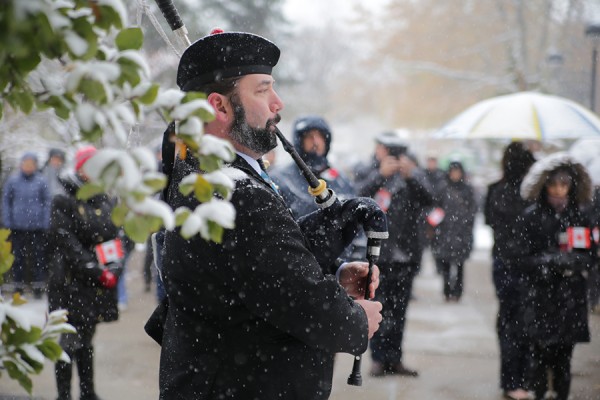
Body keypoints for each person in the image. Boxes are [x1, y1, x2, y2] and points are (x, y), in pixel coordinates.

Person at [145, 30, 383, 399]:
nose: (278, 102)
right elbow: (296, 297)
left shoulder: (205, 177)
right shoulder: (235, 194)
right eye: (262, 89)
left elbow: (257, 271)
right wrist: (355, 321)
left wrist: (334, 266)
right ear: (219, 107)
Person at [513, 152, 595, 400]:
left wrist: (571, 261)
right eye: (554, 184)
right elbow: (520, 258)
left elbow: (589, 255)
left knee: (564, 360)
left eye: (564, 185)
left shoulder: (579, 217)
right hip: (540, 298)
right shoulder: (531, 217)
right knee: (538, 359)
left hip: (570, 298)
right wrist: (548, 262)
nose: (559, 190)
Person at [354, 131, 434, 377]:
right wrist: (380, 175)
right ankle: (378, 359)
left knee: (400, 311)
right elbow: (355, 198)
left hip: (407, 254)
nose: (391, 157)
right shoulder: (368, 170)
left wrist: (411, 176)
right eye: (387, 151)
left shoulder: (411, 175)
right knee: (379, 308)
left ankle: (395, 358)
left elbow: (430, 199)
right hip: (380, 255)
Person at [47, 145, 124, 400]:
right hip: (69, 281)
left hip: (93, 285)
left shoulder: (106, 198)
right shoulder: (64, 199)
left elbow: (114, 237)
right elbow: (66, 241)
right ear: (80, 168)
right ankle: (64, 395)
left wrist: (113, 267)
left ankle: (88, 392)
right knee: (69, 341)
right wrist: (94, 269)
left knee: (87, 338)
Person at [270, 115, 365, 260]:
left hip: (343, 268)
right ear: (298, 141)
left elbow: (357, 221)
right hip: (299, 264)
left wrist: (358, 257)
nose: (315, 142)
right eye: (309, 136)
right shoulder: (281, 179)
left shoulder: (340, 179)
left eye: (320, 136)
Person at [484, 142, 536, 400]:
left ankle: (512, 379)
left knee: (509, 320)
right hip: (525, 264)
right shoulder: (530, 194)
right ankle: (521, 379)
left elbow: (491, 221)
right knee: (523, 322)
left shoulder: (496, 190)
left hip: (503, 262)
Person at [1, 152, 51, 297]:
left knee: (38, 257)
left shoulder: (41, 181)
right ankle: (18, 286)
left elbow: (46, 202)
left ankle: (38, 287)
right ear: (21, 164)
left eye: (31, 164)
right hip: (18, 226)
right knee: (18, 257)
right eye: (26, 163)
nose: (28, 166)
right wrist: (8, 221)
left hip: (37, 226)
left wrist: (44, 222)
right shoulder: (13, 181)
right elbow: (6, 202)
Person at [431, 161, 477, 302]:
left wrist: (466, 224)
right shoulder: (442, 189)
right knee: (445, 264)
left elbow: (473, 210)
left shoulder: (467, 190)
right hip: (445, 232)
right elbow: (436, 208)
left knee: (459, 264)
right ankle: (447, 291)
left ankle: (457, 291)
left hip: (461, 233)